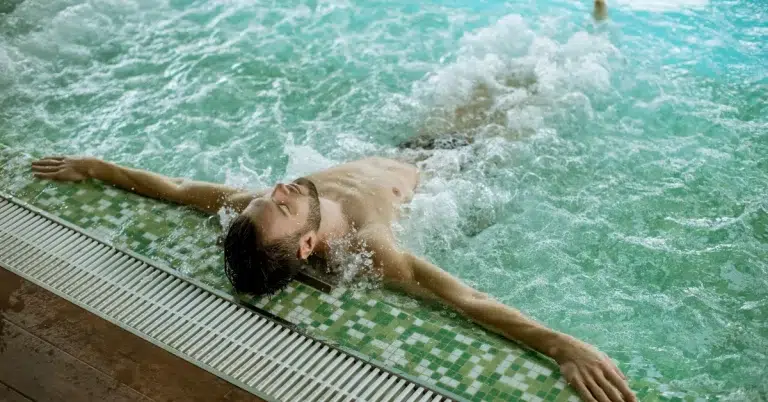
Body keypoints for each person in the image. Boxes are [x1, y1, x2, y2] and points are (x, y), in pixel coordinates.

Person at [31, 152, 633, 402]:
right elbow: (463, 297)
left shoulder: (263, 211)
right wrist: (561, 345)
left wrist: (92, 167)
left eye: (269, 198)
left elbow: (178, 190)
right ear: (310, 242)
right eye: (285, 206)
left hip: (403, 150)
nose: (281, 188)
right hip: (451, 167)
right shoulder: (376, 247)